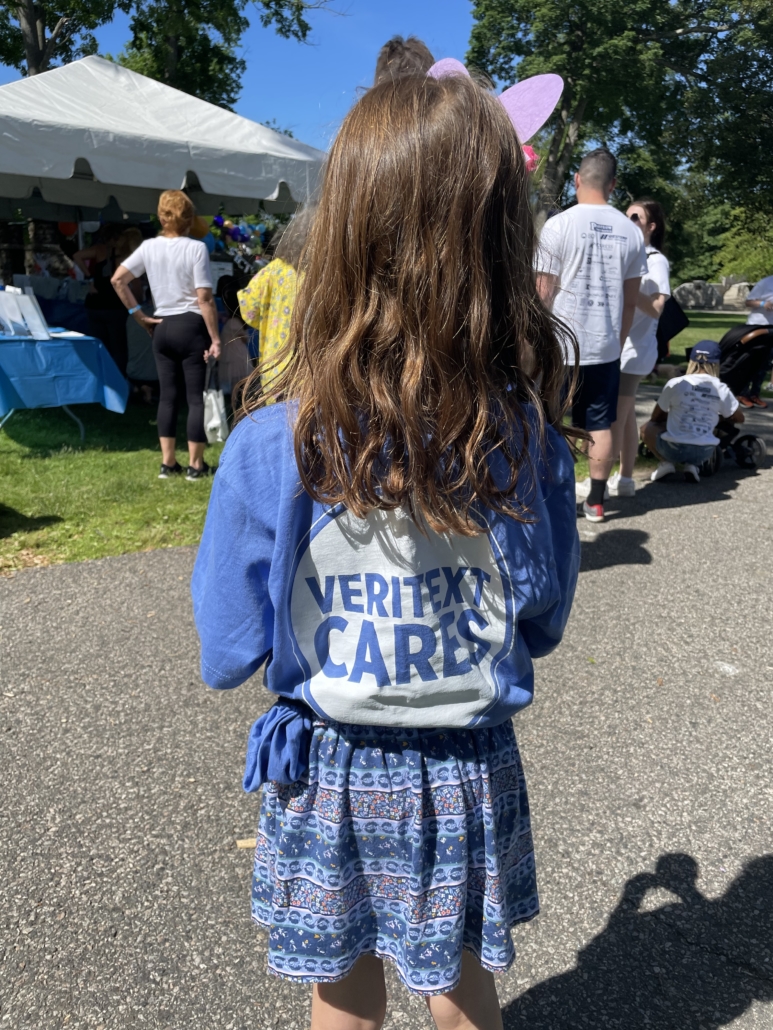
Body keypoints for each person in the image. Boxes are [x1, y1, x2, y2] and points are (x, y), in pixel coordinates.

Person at [192, 72, 579, 1030]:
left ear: (342, 234)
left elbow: (227, 646)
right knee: (459, 980)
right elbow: (542, 617)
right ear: (501, 243)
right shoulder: (524, 439)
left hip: (329, 764)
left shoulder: (272, 443)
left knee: (341, 986)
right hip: (466, 762)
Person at [536, 147, 648, 523]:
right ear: (612, 185)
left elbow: (542, 294)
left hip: (559, 345)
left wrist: (534, 343)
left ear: (577, 180)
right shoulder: (631, 233)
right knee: (599, 423)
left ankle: (550, 497)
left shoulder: (558, 225)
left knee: (550, 420)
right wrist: (618, 341)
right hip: (604, 346)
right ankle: (596, 502)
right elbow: (630, 302)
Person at [111, 190, 221, 481]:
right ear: (190, 219)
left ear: (161, 217)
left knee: (167, 397)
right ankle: (196, 465)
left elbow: (118, 279)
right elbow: (204, 298)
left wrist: (138, 315)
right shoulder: (196, 248)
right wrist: (215, 338)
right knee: (194, 398)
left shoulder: (149, 247)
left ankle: (167, 463)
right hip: (191, 325)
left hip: (162, 325)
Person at [608, 199, 671, 497]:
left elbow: (657, 308)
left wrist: (628, 286)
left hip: (635, 352)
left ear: (651, 226)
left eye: (636, 217)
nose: (628, 220)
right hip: (619, 348)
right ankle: (625, 479)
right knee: (626, 417)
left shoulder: (655, 260)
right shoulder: (626, 256)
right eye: (626, 215)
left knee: (615, 417)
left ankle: (598, 483)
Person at [236, 207, 314, 399]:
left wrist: (271, 320)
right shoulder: (323, 274)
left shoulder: (273, 270)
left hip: (274, 367)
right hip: (312, 371)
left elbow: (248, 308)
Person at [641, 339, 743, 484]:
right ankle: (692, 466)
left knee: (647, 427)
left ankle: (666, 463)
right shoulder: (721, 389)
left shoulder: (676, 383)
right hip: (705, 451)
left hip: (674, 449)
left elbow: (656, 417)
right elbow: (739, 418)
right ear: (716, 363)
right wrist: (718, 416)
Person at [74, 224, 140, 377]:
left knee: (100, 346)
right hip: (115, 306)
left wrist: (89, 276)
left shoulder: (100, 250)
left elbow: (77, 256)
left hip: (94, 304)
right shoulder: (125, 255)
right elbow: (136, 287)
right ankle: (118, 380)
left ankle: (102, 378)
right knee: (118, 348)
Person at [736, 271, 773, 408]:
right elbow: (748, 301)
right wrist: (764, 304)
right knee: (749, 361)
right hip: (757, 326)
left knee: (764, 364)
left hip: (771, 329)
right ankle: (742, 394)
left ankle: (754, 394)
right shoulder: (765, 283)